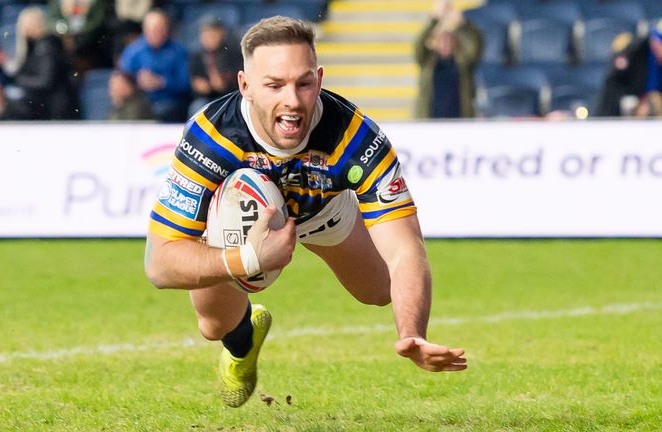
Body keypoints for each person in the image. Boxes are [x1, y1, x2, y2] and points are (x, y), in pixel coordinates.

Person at [144, 16, 467, 408]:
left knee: (382, 291)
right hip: (239, 224)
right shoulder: (209, 137)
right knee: (213, 326)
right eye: (274, 85)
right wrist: (251, 257)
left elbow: (405, 250)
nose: (293, 101)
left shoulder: (356, 136)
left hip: (323, 211)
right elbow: (159, 264)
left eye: (304, 82)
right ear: (245, 86)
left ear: (320, 79)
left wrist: (412, 331)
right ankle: (244, 341)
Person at [595, 8, 662, 117]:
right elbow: (612, 85)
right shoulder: (634, 50)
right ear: (659, 42)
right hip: (618, 118)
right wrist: (636, 102)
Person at [117, 9, 191, 122]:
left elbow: (186, 84)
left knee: (161, 110)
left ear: (166, 29)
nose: (154, 33)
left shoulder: (178, 51)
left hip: (169, 101)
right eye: (150, 29)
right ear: (144, 30)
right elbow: (122, 76)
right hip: (139, 100)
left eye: (158, 29)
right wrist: (137, 82)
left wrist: (161, 82)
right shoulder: (134, 50)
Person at [413, 0, 482, 119]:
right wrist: (434, 20)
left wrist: (463, 24)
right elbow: (418, 45)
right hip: (431, 120)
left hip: (459, 119)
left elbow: (476, 45)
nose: (445, 43)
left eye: (449, 40)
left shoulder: (462, 62)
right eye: (442, 40)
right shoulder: (428, 62)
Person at [8, 7, 75, 120]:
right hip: (46, 104)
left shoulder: (48, 46)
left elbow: (46, 81)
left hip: (53, 106)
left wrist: (20, 81)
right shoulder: (35, 45)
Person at [187, 15, 243, 116]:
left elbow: (229, 83)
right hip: (204, 98)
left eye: (212, 33)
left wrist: (220, 82)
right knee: (196, 108)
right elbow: (194, 80)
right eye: (205, 34)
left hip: (228, 97)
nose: (208, 38)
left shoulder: (232, 53)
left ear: (221, 33)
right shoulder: (197, 54)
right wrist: (199, 85)